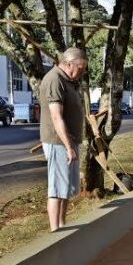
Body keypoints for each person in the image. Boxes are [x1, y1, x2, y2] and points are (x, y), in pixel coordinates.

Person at [39, 47, 87, 232]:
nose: (82, 73)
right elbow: (56, 117)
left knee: (65, 188)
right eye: (80, 69)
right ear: (68, 64)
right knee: (57, 189)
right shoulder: (54, 79)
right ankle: (55, 231)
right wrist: (68, 146)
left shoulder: (69, 80)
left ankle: (62, 227)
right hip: (59, 142)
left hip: (69, 142)